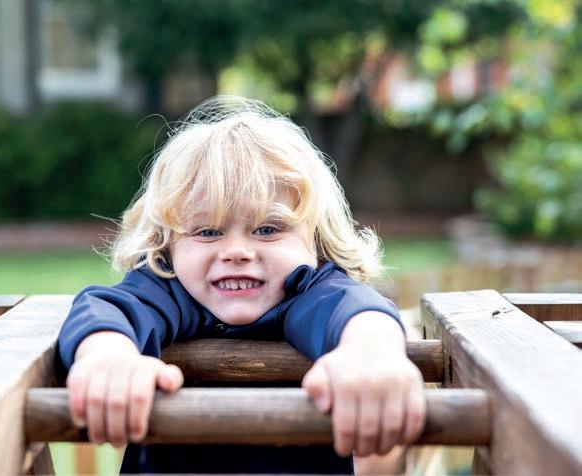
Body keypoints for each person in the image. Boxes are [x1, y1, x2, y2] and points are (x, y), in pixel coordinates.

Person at [57, 96, 426, 474]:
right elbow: (109, 308)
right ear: (167, 244)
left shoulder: (309, 290)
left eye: (267, 229)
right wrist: (108, 357)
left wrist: (370, 351)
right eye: (207, 232)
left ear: (314, 242)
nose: (236, 251)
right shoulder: (169, 289)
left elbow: (356, 309)